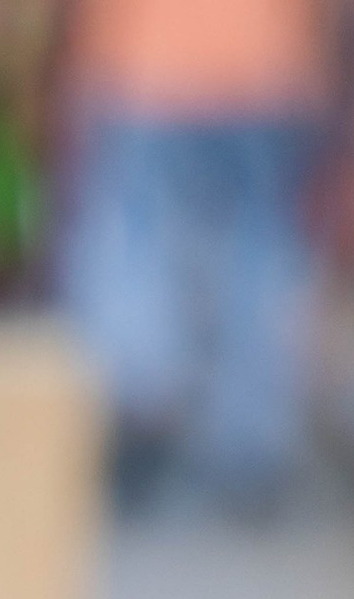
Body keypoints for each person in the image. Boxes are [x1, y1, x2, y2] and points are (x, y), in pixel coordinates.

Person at [58, 0, 336, 511]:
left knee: (134, 241)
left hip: (141, 70)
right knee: (260, 250)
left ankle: (138, 406)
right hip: (269, 72)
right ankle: (251, 442)